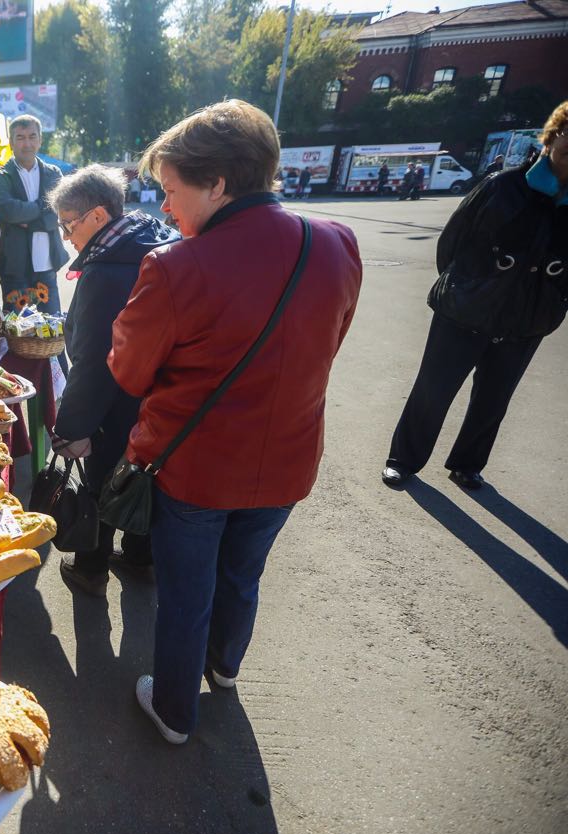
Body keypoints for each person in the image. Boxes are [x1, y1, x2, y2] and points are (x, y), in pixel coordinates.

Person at [108, 100, 362, 744]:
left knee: (185, 597)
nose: (164, 207)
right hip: (289, 459)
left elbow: (129, 373)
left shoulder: (174, 266)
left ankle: (173, 710)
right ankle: (224, 669)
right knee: (243, 575)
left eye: (171, 191)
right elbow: (329, 345)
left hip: (196, 468)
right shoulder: (333, 242)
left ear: (217, 183)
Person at [382, 101, 568, 491]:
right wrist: (464, 288)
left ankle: (467, 464)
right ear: (552, 137)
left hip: (526, 321)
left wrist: (553, 302)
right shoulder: (504, 186)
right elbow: (452, 242)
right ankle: (403, 459)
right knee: (433, 390)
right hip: (464, 311)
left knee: (493, 401)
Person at [46, 165, 179, 596]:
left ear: (99, 217)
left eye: (69, 224)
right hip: (162, 400)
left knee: (103, 478)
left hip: (116, 402)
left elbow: (93, 361)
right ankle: (141, 557)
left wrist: (72, 429)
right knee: (148, 475)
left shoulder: (106, 271)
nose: (67, 237)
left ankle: (91, 566)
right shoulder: (157, 239)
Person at [0, 115, 69, 313]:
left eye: (32, 136)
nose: (27, 143)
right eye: (20, 137)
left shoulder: (54, 173)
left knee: (53, 333)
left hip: (47, 265)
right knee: (17, 334)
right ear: (11, 142)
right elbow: (10, 213)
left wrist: (29, 221)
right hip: (15, 268)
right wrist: (43, 204)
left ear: (40, 140)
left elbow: (57, 213)